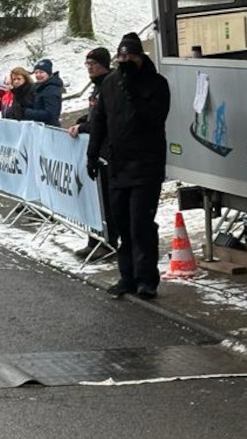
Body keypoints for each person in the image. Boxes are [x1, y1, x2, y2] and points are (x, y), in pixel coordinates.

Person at [87, 32, 170, 300]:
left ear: (139, 58)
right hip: (118, 164)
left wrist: (133, 91)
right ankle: (127, 276)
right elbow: (99, 120)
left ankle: (146, 279)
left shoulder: (156, 83)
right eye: (121, 58)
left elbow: (155, 118)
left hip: (146, 164)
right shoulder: (111, 84)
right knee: (122, 223)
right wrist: (92, 154)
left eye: (129, 58)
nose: (125, 63)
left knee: (140, 224)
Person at [68, 47, 117, 261]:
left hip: (108, 152)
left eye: (93, 64)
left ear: (103, 64)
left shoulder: (110, 85)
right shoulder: (97, 86)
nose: (89, 68)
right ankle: (95, 239)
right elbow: (94, 115)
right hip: (97, 150)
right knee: (95, 199)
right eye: (87, 64)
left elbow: (104, 121)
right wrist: (83, 121)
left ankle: (108, 242)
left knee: (107, 201)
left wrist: (84, 127)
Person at [22, 58, 63, 127]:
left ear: (48, 73)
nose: (38, 75)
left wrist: (26, 112)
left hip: (49, 128)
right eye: (36, 72)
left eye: (41, 72)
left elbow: (51, 115)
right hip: (39, 127)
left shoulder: (51, 90)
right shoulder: (37, 87)